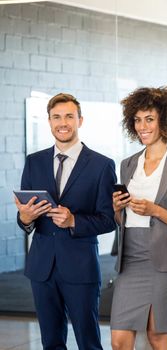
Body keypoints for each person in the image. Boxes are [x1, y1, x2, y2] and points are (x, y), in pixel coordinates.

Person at [14, 93, 116, 350]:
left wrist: (73, 221)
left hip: (80, 267)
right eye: (56, 117)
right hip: (42, 267)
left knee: (89, 341)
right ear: (48, 121)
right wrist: (24, 219)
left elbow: (109, 220)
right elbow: (27, 216)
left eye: (69, 116)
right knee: (50, 342)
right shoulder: (33, 162)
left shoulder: (101, 165)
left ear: (80, 120)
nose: (63, 122)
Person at [110, 86, 167, 350]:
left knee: (158, 337)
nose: (142, 126)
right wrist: (117, 209)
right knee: (119, 340)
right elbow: (123, 221)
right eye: (137, 119)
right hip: (130, 259)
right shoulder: (127, 164)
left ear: (165, 121)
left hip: (164, 260)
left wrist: (155, 210)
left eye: (149, 119)